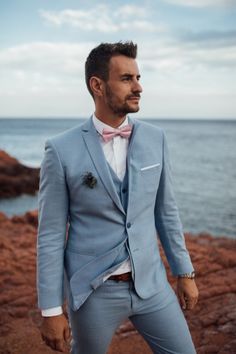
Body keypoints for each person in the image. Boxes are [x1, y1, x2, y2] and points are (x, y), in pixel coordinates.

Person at [37, 41, 199, 354]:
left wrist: (184, 272)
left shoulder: (155, 137)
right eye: (126, 79)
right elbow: (51, 235)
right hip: (93, 291)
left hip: (152, 285)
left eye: (138, 78)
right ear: (97, 85)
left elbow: (165, 212)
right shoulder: (60, 149)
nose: (138, 87)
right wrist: (51, 309)